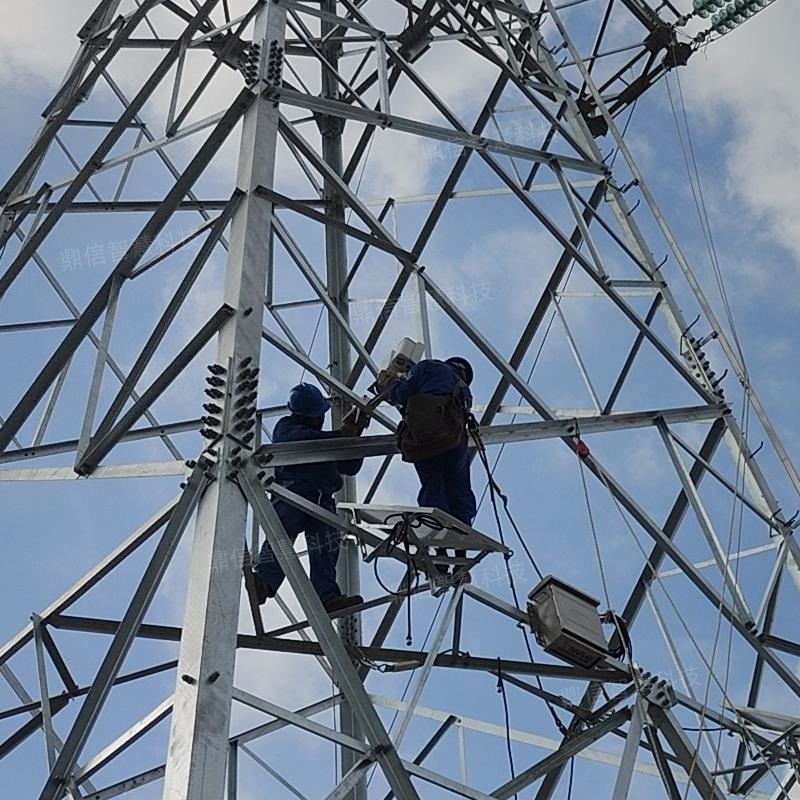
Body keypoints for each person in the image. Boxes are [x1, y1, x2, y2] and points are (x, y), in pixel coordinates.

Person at [253, 382, 365, 613]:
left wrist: (353, 436)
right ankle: (264, 581)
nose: (320, 420)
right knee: (281, 537)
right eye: (317, 416)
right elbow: (302, 442)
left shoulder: (325, 438)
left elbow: (349, 465)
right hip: (294, 492)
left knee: (325, 548)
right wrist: (339, 435)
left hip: (323, 499)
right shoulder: (287, 427)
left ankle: (327, 598)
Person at [379, 357, 476, 580]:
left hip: (426, 439)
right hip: (454, 440)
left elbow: (402, 395)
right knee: (459, 492)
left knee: (434, 489)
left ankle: (440, 555)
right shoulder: (465, 394)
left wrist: (390, 383)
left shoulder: (429, 367)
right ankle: (460, 559)